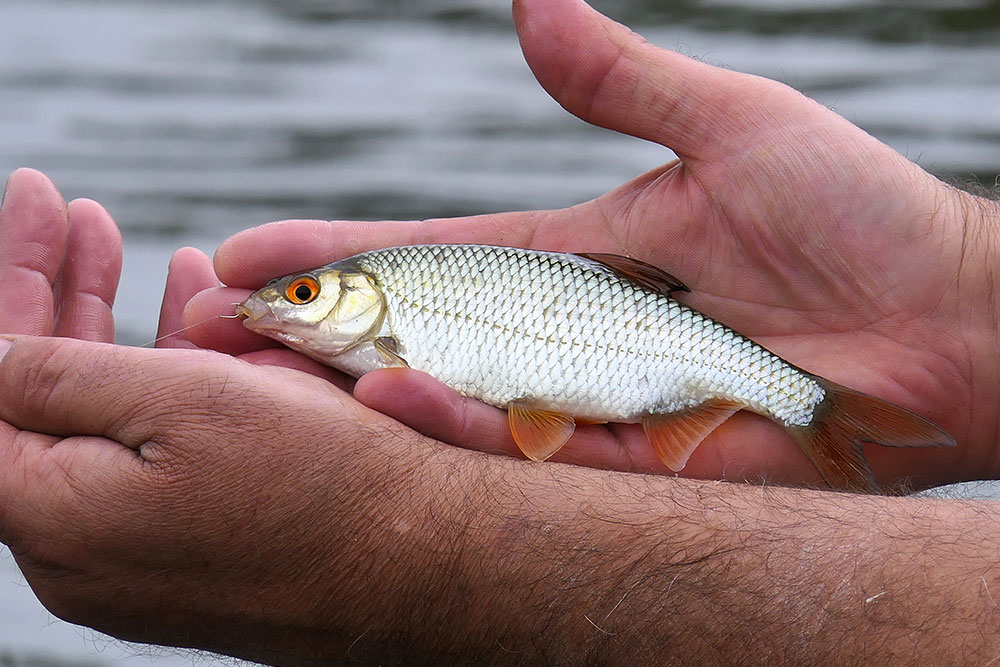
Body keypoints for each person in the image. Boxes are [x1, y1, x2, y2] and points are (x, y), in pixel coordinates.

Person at [1, 0, 998, 663]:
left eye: (303, 297)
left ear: (355, 300)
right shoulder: (384, 330)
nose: (279, 308)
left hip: (651, 363)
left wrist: (428, 546)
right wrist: (962, 284)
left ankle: (822, 419)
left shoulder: (389, 328)